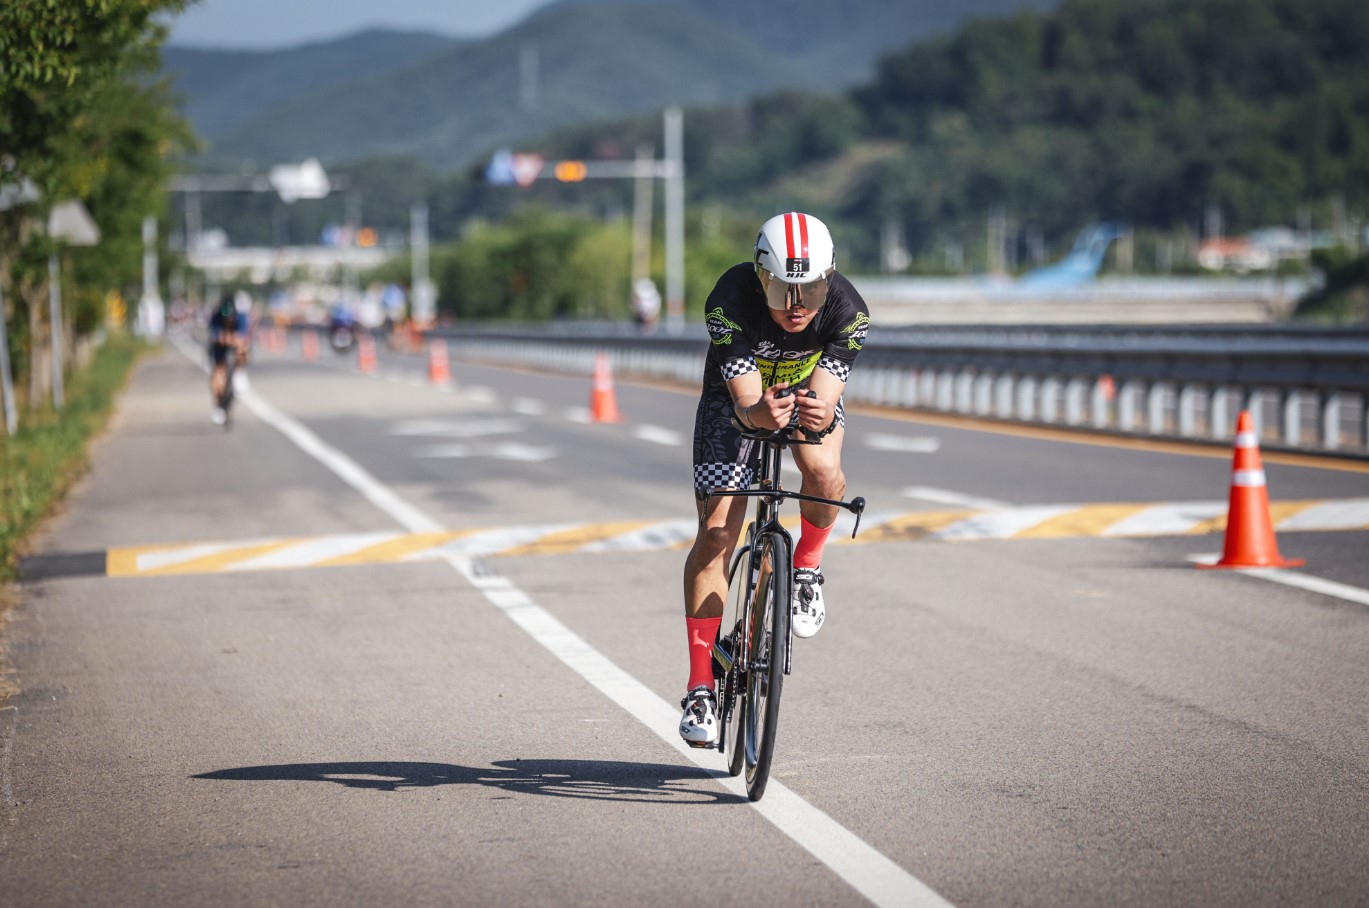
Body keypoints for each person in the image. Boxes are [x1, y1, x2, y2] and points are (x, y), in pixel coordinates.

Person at [679, 212, 870, 747]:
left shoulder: (848, 310)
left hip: (804, 392)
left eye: (808, 289)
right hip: (736, 402)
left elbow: (827, 399)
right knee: (718, 532)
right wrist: (760, 412)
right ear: (760, 277)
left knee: (824, 470)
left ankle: (805, 568)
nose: (795, 305)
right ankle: (699, 685)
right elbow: (747, 407)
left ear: (828, 279)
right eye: (781, 288)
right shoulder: (730, 298)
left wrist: (816, 415)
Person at [207, 292, 249, 424]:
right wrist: (228, 339)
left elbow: (242, 339)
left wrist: (232, 339)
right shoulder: (215, 318)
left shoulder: (241, 317)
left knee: (243, 349)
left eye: (230, 318)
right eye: (226, 318)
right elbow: (216, 337)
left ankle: (239, 372)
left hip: (235, 345)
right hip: (220, 347)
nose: (228, 321)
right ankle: (219, 405)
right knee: (218, 373)